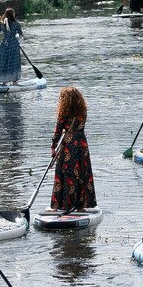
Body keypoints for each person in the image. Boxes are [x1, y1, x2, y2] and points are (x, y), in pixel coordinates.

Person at [48, 87, 95, 215]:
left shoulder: (64, 113)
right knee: (82, 173)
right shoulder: (83, 112)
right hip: (82, 144)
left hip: (69, 145)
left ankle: (60, 205)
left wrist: (53, 147)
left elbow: (57, 132)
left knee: (64, 173)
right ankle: (80, 206)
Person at [0, 8, 24, 83]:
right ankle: (14, 80)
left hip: (5, 44)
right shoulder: (16, 23)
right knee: (14, 63)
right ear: (12, 14)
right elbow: (20, 33)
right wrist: (17, 39)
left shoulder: (2, 23)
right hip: (14, 45)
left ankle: (4, 81)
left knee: (4, 61)